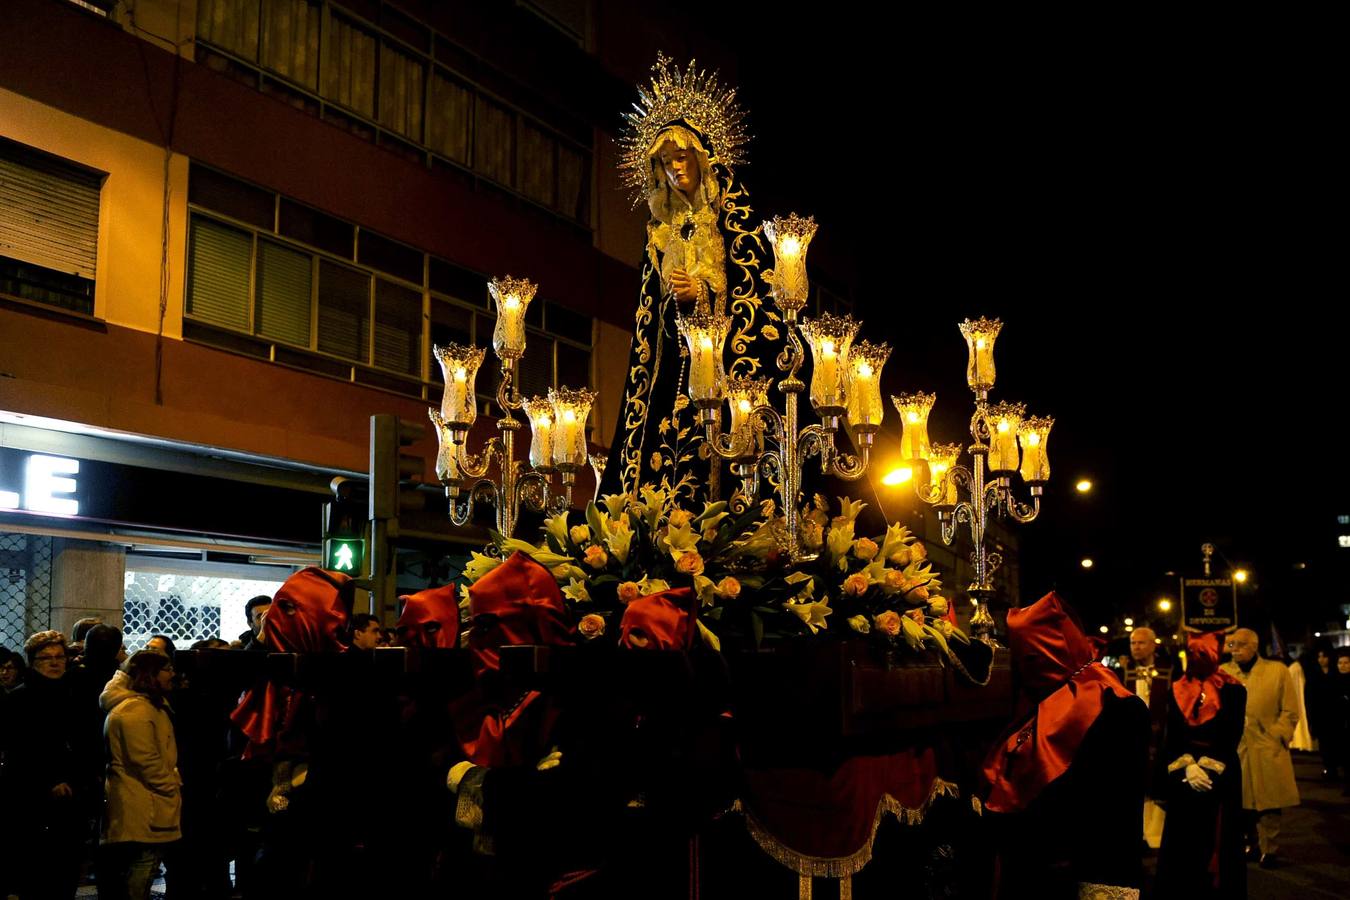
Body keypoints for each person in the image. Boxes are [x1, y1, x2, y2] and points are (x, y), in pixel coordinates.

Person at [600, 55, 784, 508]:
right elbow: (648, 320)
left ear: (701, 159)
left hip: (725, 370)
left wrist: (704, 292)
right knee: (663, 462)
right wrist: (675, 301)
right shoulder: (658, 235)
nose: (674, 170)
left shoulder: (734, 221)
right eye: (664, 163)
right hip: (670, 376)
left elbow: (756, 294)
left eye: (681, 158)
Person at [981, 592, 1150, 899]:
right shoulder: (1036, 698)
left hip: (1081, 869)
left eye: (1032, 657)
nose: (1025, 669)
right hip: (1033, 865)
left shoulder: (1116, 707)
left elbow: (1118, 809)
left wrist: (1107, 886)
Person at [1, 631, 94, 900]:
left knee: (67, 871)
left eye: (59, 657)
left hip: (73, 792)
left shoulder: (71, 693)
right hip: (35, 798)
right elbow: (21, 750)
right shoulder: (21, 698)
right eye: (47, 658)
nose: (55, 663)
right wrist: (49, 781)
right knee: (39, 873)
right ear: (33, 662)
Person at [1156, 632, 1246, 898]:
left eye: (1202, 654)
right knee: (1182, 842)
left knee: (1217, 839)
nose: (1196, 659)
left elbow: (1231, 735)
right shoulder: (1176, 687)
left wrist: (1205, 767)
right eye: (1192, 654)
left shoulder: (1233, 689)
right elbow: (1170, 735)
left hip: (1219, 774)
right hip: (1185, 775)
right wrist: (1188, 766)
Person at [99, 650, 182, 900]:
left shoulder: (146, 706)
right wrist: (170, 785)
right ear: (150, 675)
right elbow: (145, 760)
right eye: (166, 669)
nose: (172, 674)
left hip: (146, 798)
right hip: (143, 802)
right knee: (143, 865)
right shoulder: (136, 711)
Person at [1222, 627, 1300, 867]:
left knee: (1269, 803)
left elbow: (1290, 710)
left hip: (1267, 746)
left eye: (1240, 645)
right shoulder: (1224, 673)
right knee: (1243, 801)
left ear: (1254, 646)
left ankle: (1271, 848)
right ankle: (1251, 842)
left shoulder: (1277, 671)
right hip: (1238, 748)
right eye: (1232, 645)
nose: (1235, 650)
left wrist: (1277, 735)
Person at [1123, 625, 1170, 848]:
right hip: (1133, 738)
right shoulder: (1124, 671)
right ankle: (1137, 834)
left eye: (1141, 643)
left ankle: (1155, 835)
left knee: (1157, 785)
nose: (1136, 647)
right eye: (1133, 643)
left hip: (1161, 737)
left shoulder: (1168, 670)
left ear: (1153, 645)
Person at [1301, 638, 1338, 777]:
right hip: (1321, 717)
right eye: (1319, 657)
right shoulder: (1313, 676)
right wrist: (1311, 720)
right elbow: (1309, 700)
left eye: (1324, 656)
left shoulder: (1336, 673)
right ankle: (1330, 769)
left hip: (1336, 716)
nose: (1321, 660)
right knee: (1325, 745)